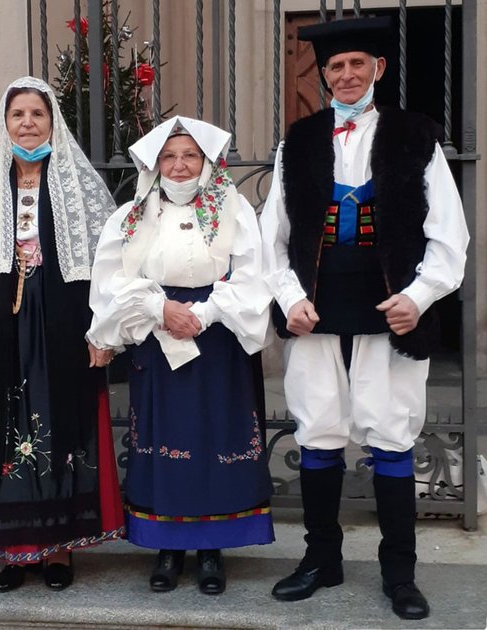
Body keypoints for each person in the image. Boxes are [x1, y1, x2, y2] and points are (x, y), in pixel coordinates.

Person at [259, 17, 469, 621]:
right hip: (316, 307)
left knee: (390, 434)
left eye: (357, 64)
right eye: (334, 67)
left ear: (378, 68)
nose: (346, 75)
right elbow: (272, 238)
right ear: (323, 76)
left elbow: (449, 238)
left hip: (391, 309)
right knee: (319, 431)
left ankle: (399, 575)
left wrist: (421, 295)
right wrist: (289, 296)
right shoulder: (296, 142)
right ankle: (322, 559)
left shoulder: (416, 136)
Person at [0, 76, 124, 593]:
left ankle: (59, 550)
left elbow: (108, 269)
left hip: (62, 329)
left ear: (53, 123)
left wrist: (102, 331)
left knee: (62, 427)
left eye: (37, 115)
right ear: (4, 126)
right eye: (18, 115)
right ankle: (13, 550)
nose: (28, 123)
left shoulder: (80, 186)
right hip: (2, 332)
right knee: (4, 434)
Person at [87, 116, 274, 595]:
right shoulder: (131, 216)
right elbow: (111, 279)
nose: (179, 165)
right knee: (166, 439)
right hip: (158, 337)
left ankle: (212, 549)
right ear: (155, 164)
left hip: (218, 341)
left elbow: (253, 275)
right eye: (169, 156)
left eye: (190, 155)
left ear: (208, 161)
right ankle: (167, 547)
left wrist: (205, 313)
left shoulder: (235, 212)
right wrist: (158, 307)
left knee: (216, 435)